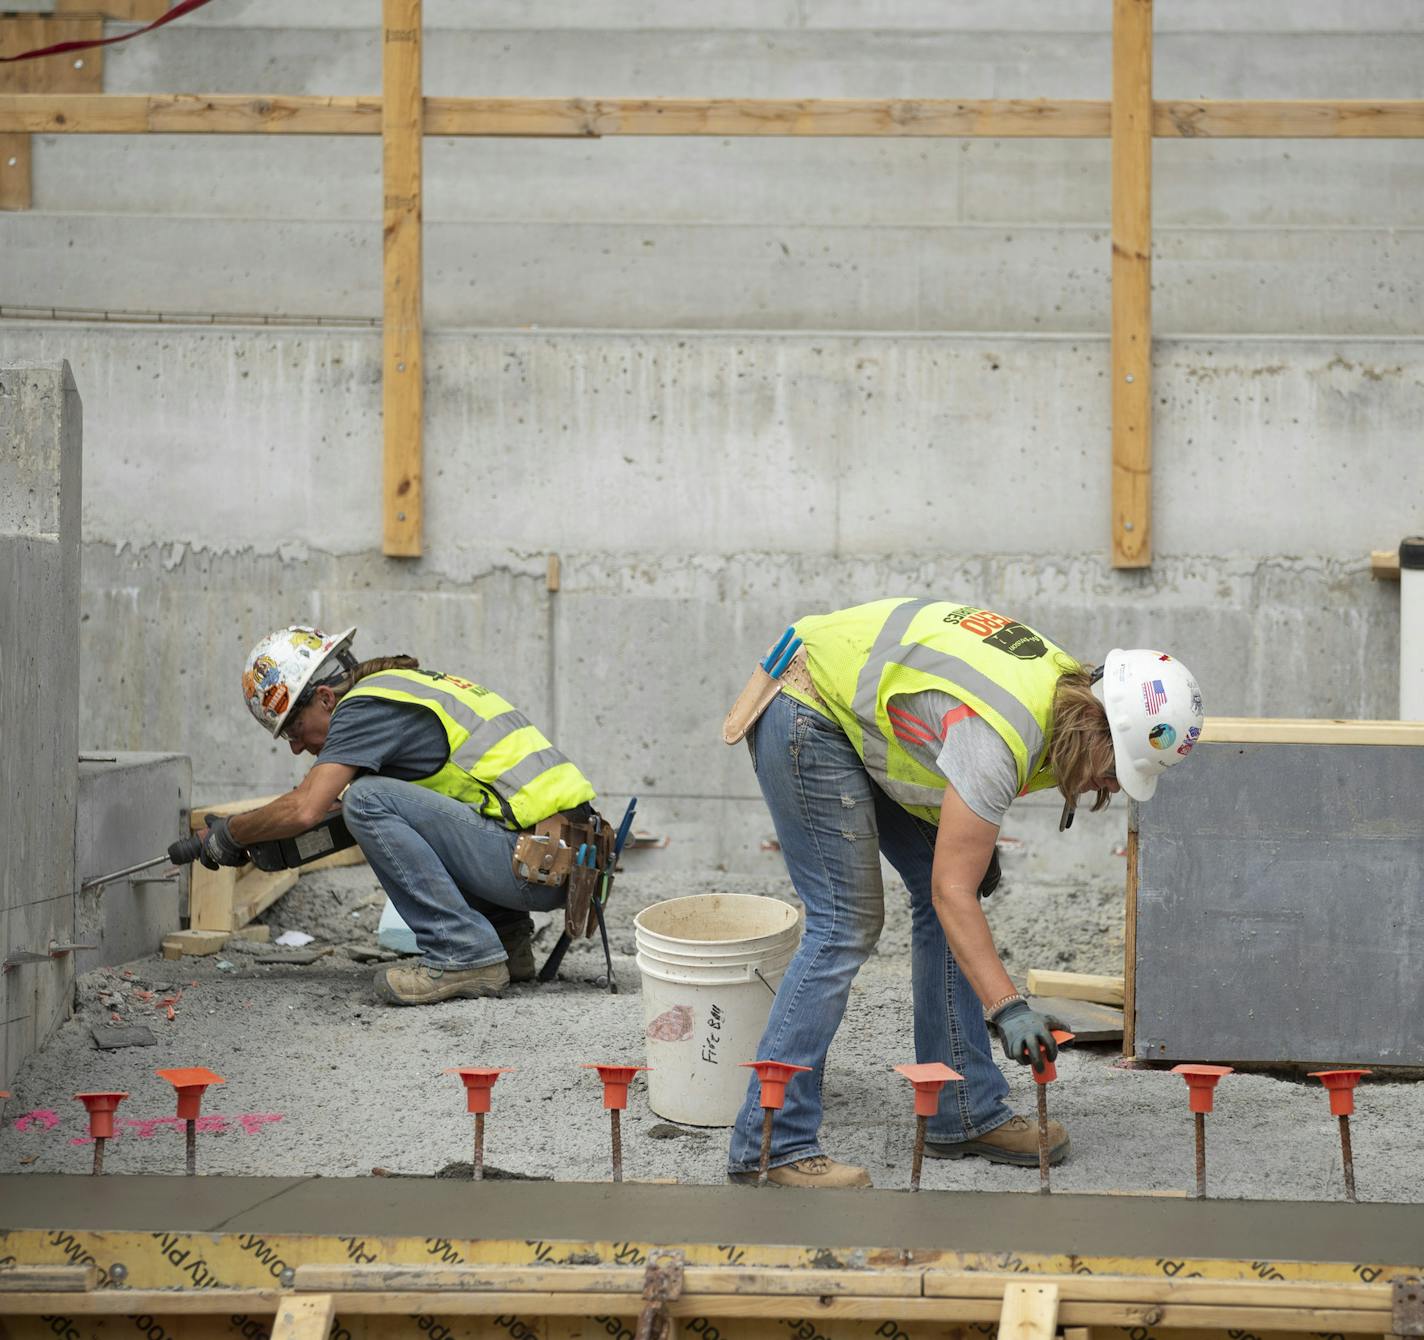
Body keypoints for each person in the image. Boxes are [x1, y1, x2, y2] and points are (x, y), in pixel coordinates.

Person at [722, 598, 1204, 1188]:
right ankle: (771, 1143)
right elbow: (954, 889)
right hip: (809, 706)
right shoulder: (1001, 735)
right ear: (1098, 726)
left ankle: (964, 1110)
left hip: (859, 713)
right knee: (845, 923)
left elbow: (935, 746)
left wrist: (969, 839)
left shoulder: (1063, 696)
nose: (1110, 786)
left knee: (948, 893)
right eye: (1116, 769)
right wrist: (1009, 1007)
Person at [199, 625, 601, 1006]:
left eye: (295, 729)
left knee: (367, 801)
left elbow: (307, 808)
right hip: (563, 861)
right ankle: (507, 944)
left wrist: (230, 835)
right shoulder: (403, 690)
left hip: (539, 866)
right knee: (379, 800)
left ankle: (461, 951)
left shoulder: (362, 708)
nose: (296, 747)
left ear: (325, 698)